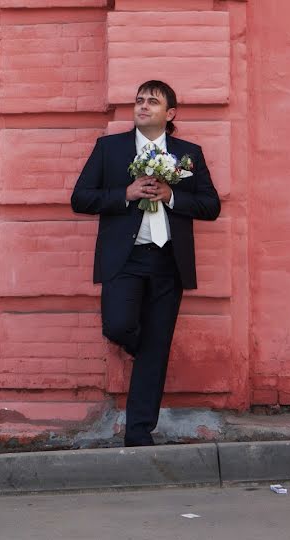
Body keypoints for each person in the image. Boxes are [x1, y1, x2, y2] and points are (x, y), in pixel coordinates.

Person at [71, 81, 221, 447]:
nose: (143, 106)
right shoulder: (110, 149)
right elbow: (80, 198)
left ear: (170, 114)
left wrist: (172, 195)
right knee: (118, 326)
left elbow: (211, 206)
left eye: (152, 101)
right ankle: (147, 350)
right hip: (125, 259)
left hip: (169, 261)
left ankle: (139, 432)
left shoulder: (189, 154)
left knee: (156, 347)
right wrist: (126, 193)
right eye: (139, 100)